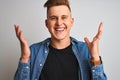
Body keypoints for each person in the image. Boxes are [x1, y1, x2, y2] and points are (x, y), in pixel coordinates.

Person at [14, 0, 107, 80]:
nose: (59, 23)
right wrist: (25, 58)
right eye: (53, 18)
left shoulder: (85, 50)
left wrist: (95, 58)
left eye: (64, 17)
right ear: (47, 23)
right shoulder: (33, 51)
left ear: (71, 21)